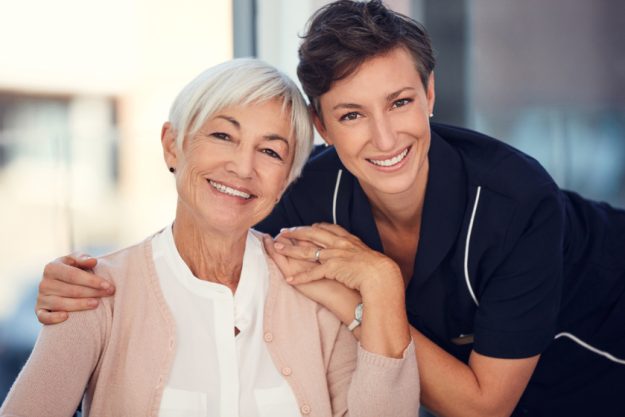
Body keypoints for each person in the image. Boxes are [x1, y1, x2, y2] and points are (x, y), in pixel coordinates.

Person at [29, 1, 625, 416]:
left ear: (431, 94)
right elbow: (210, 221)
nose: (385, 139)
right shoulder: (301, 190)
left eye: (399, 102)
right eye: (351, 115)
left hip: (601, 342)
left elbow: (481, 405)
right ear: (320, 127)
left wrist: (366, 294)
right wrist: (89, 283)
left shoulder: (514, 202)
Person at [1, 58, 419, 417]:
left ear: (285, 181)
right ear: (173, 146)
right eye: (223, 135)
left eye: (270, 152)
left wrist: (382, 282)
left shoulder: (314, 292)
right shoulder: (95, 294)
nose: (242, 166)